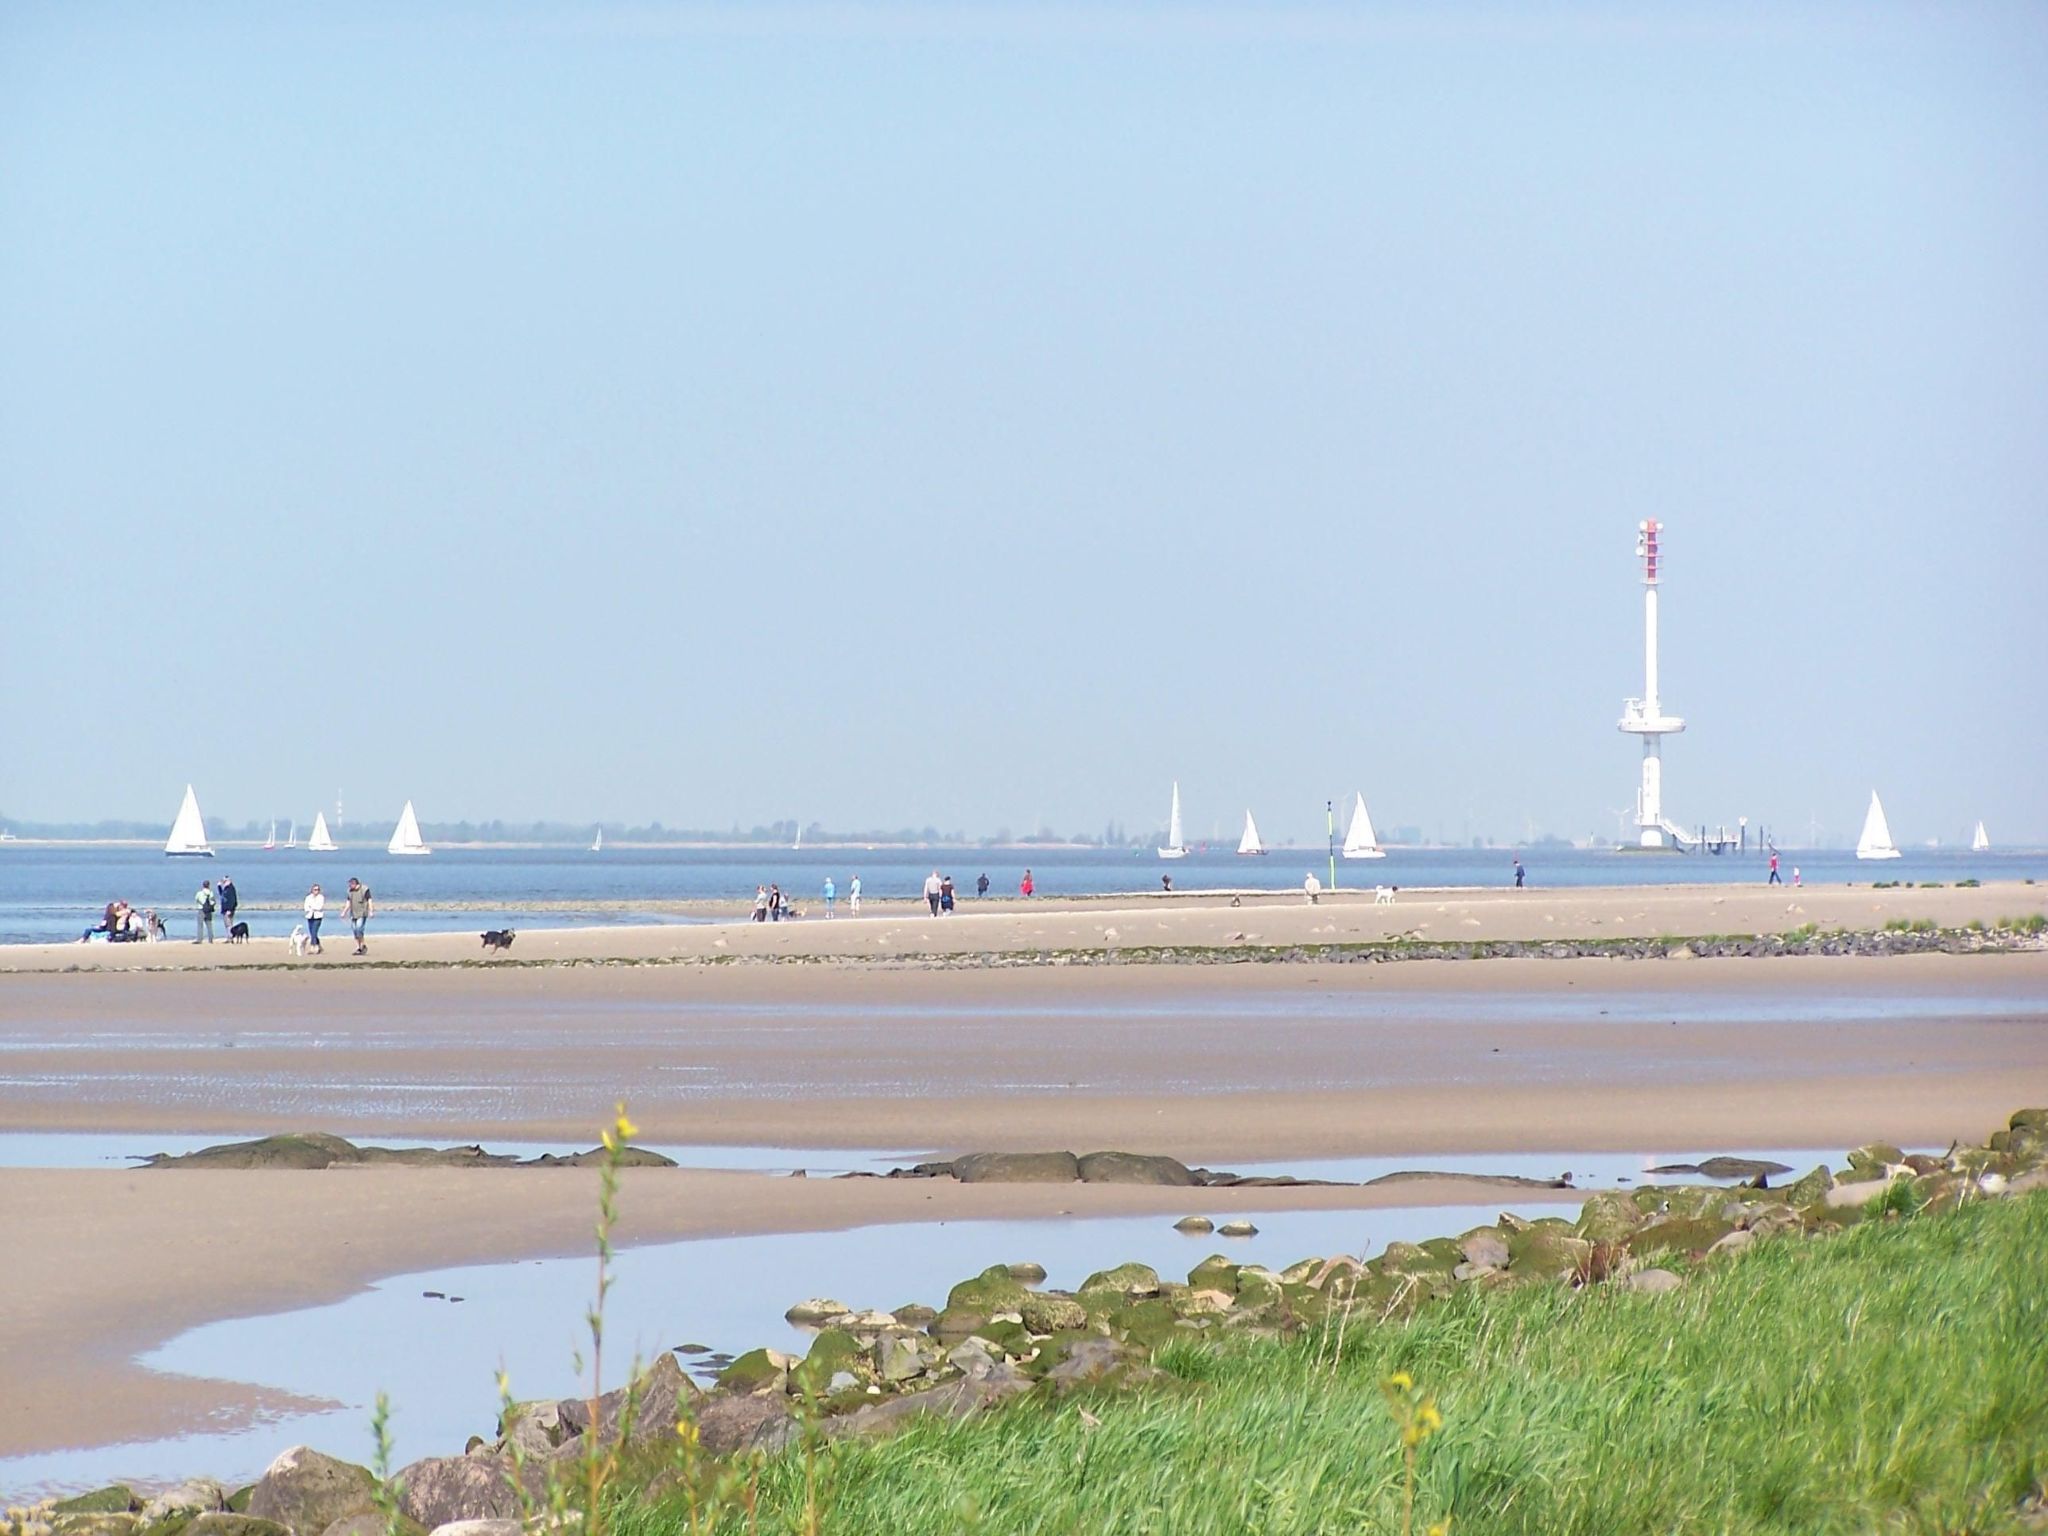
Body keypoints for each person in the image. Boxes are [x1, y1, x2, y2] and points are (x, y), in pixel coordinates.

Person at [345, 877, 374, 956]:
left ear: (355, 884)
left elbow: (369, 900)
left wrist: (371, 911)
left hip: (362, 913)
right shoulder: (350, 891)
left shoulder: (364, 889)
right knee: (355, 930)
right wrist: (344, 912)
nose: (349, 886)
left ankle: (362, 945)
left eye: (351, 884)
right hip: (353, 914)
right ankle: (360, 946)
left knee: (359, 928)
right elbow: (348, 902)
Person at [303, 883, 325, 953]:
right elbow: (306, 907)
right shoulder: (308, 897)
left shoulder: (321, 897)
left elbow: (320, 907)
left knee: (314, 932)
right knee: (312, 933)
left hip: (318, 917)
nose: (316, 891)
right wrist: (311, 908)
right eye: (315, 890)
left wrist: (312, 907)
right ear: (312, 890)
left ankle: (313, 947)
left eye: (318, 890)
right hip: (310, 916)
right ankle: (319, 946)